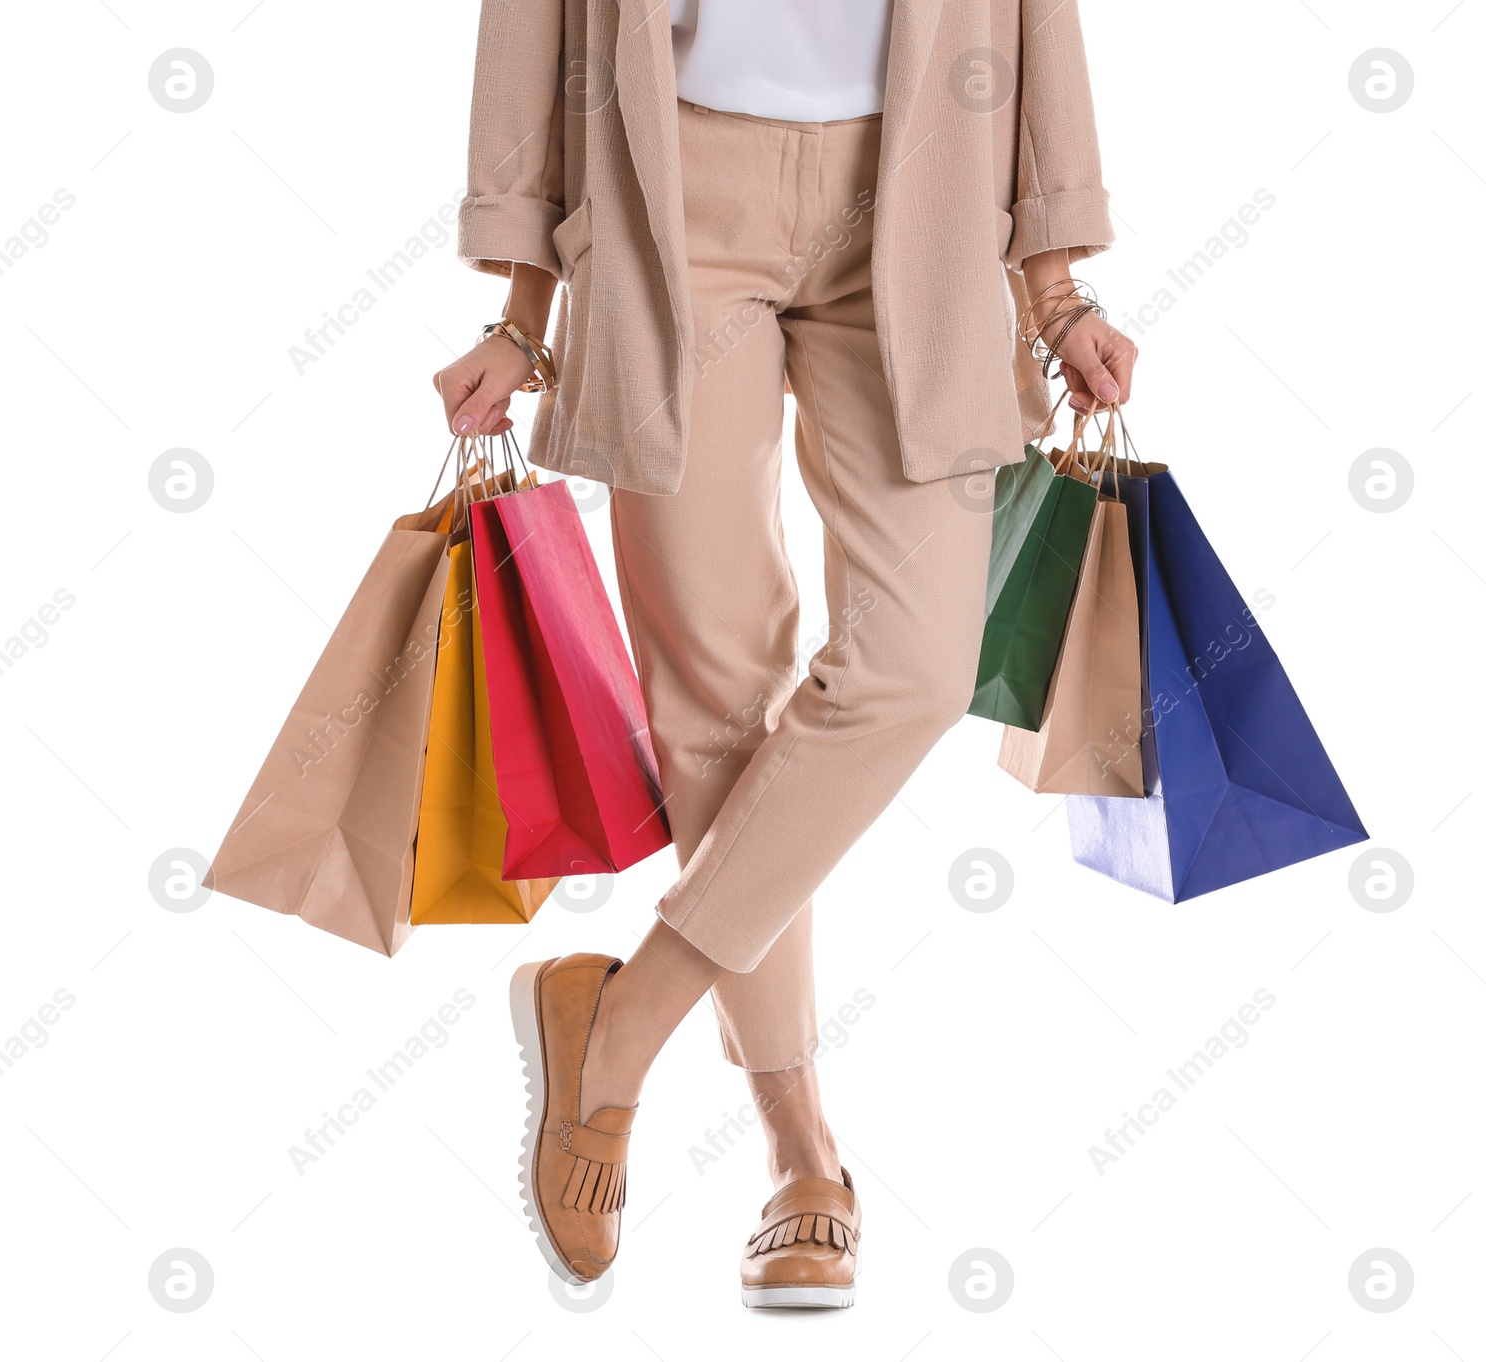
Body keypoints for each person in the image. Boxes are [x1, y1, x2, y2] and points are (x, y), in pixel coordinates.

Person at [433, 0, 1136, 1310]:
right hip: (670, 198)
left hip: (925, 186)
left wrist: (1054, 285)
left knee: (917, 665)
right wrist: (525, 308)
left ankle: (617, 1026)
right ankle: (801, 1159)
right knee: (713, 701)